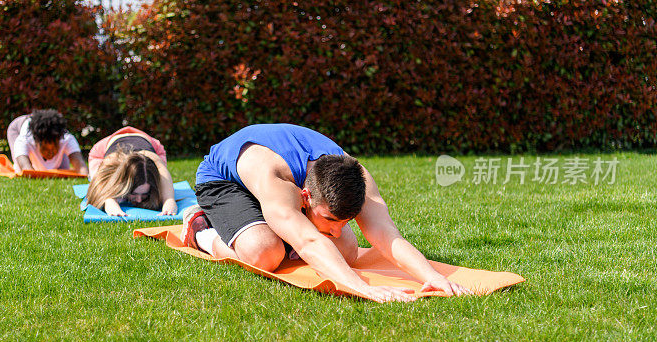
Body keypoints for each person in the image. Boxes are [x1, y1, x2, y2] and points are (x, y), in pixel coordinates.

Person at [182, 123, 471, 303]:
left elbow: (385, 233)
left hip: (282, 192)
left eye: (344, 221)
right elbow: (309, 242)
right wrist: (361, 288)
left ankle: (282, 228)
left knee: (346, 250)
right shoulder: (275, 176)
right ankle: (201, 230)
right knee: (264, 252)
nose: (336, 229)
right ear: (304, 197)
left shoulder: (356, 175)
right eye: (331, 220)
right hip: (224, 181)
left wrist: (432, 276)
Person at [86, 126, 178, 216]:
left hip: (151, 144)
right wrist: (110, 201)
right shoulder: (111, 162)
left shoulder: (157, 163)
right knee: (97, 180)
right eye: (133, 193)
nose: (138, 200)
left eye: (144, 194)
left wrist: (169, 202)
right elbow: (97, 189)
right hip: (102, 149)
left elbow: (169, 199)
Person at [7, 109, 88, 174]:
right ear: (37, 143)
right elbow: (27, 170)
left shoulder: (66, 138)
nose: (50, 152)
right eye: (45, 149)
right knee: (18, 169)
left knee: (64, 169)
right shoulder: (24, 140)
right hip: (17, 128)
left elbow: (81, 167)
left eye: (54, 148)